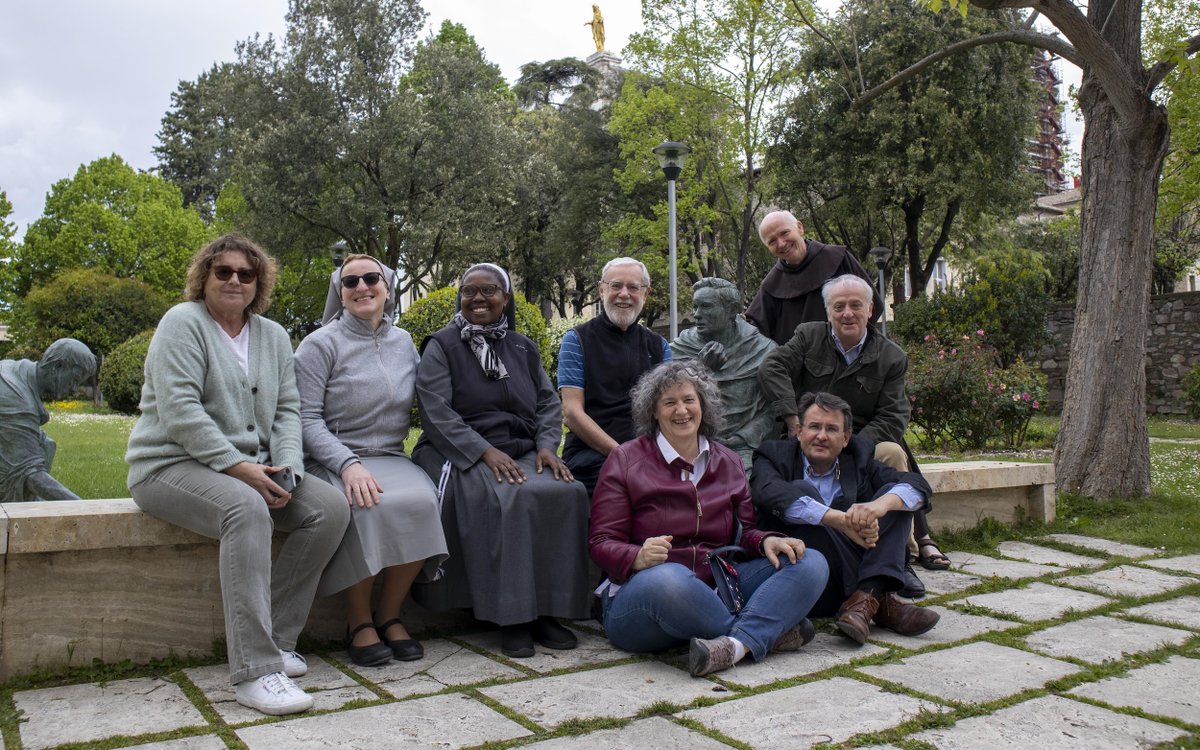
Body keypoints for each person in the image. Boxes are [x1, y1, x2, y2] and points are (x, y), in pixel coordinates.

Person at [125, 235, 350, 716]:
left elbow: (289, 409)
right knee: (244, 508)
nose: (233, 280)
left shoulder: (272, 335)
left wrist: (287, 467)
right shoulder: (182, 323)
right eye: (222, 271)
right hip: (169, 465)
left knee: (329, 508)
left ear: (258, 282)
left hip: (256, 466)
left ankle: (278, 642)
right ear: (204, 277)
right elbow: (181, 411)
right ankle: (254, 673)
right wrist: (239, 468)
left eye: (245, 274)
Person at [590, 361, 830, 677]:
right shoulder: (625, 459)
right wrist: (637, 556)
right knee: (669, 577)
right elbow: (600, 542)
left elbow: (745, 534)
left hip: (719, 586)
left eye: (689, 399)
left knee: (810, 562)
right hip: (644, 597)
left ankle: (733, 646)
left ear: (703, 405)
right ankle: (764, 634)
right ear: (653, 411)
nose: (682, 410)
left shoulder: (728, 461)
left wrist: (768, 540)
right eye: (669, 402)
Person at [411, 262, 591, 658]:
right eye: (469, 291)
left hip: (522, 449)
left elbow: (547, 402)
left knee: (568, 492)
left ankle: (547, 608)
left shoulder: (522, 347)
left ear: (505, 299)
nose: (478, 299)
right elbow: (436, 412)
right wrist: (482, 451)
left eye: (488, 290)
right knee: (509, 498)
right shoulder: (442, 346)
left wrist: (547, 445)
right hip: (459, 448)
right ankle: (511, 616)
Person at [295, 253, 449, 667]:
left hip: (390, 455)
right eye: (350, 282)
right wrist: (347, 464)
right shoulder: (319, 345)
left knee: (423, 500)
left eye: (371, 279)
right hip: (334, 457)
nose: (361, 287)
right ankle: (359, 621)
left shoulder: (404, 343)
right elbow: (305, 418)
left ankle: (390, 612)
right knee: (368, 504)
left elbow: (430, 402)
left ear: (387, 288)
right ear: (340, 294)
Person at [757, 274, 950, 584]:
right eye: (839, 306)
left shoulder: (891, 357)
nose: (847, 313)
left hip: (861, 437)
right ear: (828, 312)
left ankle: (903, 555)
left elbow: (893, 415)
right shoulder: (808, 337)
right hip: (812, 433)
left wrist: (849, 444)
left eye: (855, 305)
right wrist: (792, 417)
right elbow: (772, 367)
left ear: (870, 309)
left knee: (893, 453)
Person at [751, 392, 939, 645]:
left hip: (846, 575)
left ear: (846, 438)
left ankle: (864, 600)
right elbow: (768, 493)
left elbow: (918, 486)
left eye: (832, 429)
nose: (821, 436)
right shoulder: (773, 454)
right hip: (807, 579)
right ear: (798, 430)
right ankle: (879, 601)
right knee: (804, 493)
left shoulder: (858, 459)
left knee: (895, 498)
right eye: (814, 426)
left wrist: (878, 508)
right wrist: (837, 519)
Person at [559, 257, 671, 495]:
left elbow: (668, 407)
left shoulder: (659, 346)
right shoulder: (576, 340)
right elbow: (572, 413)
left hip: (649, 452)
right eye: (616, 286)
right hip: (591, 455)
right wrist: (623, 455)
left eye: (633, 287)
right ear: (602, 290)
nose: (624, 294)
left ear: (646, 294)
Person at [669, 277, 775, 469]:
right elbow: (665, 400)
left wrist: (742, 438)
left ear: (731, 310)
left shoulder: (762, 350)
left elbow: (773, 409)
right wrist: (701, 370)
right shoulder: (679, 348)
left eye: (706, 306)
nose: (696, 314)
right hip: (689, 444)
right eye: (695, 307)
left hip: (746, 447)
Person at [746, 210, 882, 346]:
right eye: (772, 241)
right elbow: (754, 330)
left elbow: (873, 305)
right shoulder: (771, 285)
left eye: (784, 233)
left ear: (799, 228)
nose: (781, 243)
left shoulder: (838, 258)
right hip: (797, 364)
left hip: (848, 358)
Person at [0, 338, 97, 501]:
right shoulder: (17, 398)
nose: (74, 389)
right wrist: (89, 511)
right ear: (57, 366)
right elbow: (32, 475)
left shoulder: (16, 369)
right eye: (74, 380)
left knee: (45, 444)